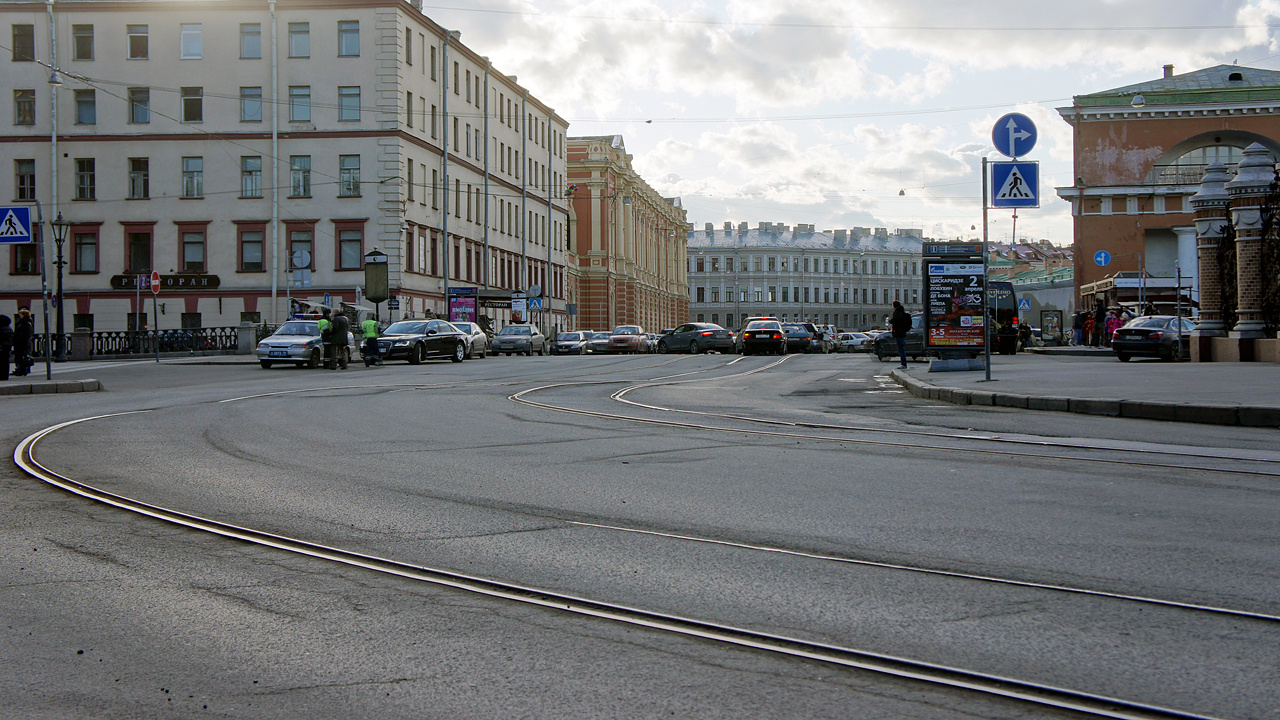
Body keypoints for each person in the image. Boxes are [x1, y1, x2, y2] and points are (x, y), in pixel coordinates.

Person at [889, 300, 911, 370]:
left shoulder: (897, 313)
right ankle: (904, 364)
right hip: (903, 333)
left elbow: (895, 321)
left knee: (901, 349)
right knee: (902, 348)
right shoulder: (903, 312)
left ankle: (903, 364)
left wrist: (890, 321)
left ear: (894, 306)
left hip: (899, 333)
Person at [12, 306, 33, 376]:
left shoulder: (26, 323)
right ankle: (19, 369)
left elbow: (26, 334)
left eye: (21, 314)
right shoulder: (21, 322)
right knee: (19, 357)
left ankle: (22, 370)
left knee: (22, 357)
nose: (19, 315)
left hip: (22, 343)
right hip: (19, 342)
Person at [0, 315, 12, 381]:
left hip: (2, 348)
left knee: (2, 362)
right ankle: (5, 376)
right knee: (5, 362)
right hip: (7, 347)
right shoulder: (9, 328)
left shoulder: (1, 329)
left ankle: (2, 376)